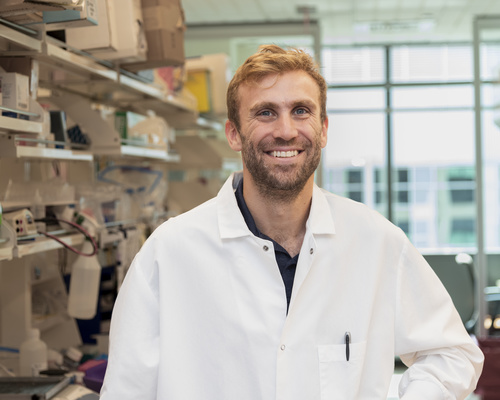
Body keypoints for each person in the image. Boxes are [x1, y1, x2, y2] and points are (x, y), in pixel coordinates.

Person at [100, 45, 484, 399]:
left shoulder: (375, 241)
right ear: (234, 133)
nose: (285, 130)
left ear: (324, 129)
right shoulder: (169, 253)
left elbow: (452, 353)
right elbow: (126, 390)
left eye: (301, 110)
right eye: (265, 112)